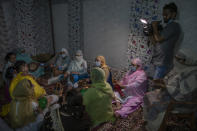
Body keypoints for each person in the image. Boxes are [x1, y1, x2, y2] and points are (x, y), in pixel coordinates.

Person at [143, 55, 197, 131]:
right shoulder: (191, 69)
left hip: (180, 101)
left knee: (155, 104)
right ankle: (147, 120)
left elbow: (184, 93)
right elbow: (174, 81)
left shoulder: (194, 75)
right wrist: (164, 87)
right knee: (147, 96)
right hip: (172, 94)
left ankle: (152, 127)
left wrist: (166, 88)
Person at [152, 2, 181, 82]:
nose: (164, 16)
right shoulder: (166, 28)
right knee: (156, 89)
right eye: (163, 14)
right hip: (159, 62)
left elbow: (158, 39)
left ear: (174, 14)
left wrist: (154, 26)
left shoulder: (174, 26)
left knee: (156, 89)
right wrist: (150, 33)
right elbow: (155, 43)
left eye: (166, 14)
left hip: (163, 63)